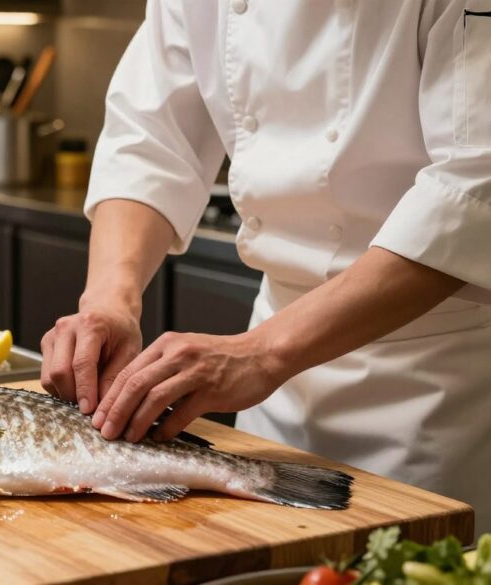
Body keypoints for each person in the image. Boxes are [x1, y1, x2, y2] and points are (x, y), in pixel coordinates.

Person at [40, 0, 491, 533]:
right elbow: (150, 142)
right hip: (272, 396)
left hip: (432, 384)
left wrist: (264, 353)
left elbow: (472, 187)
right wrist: (108, 300)